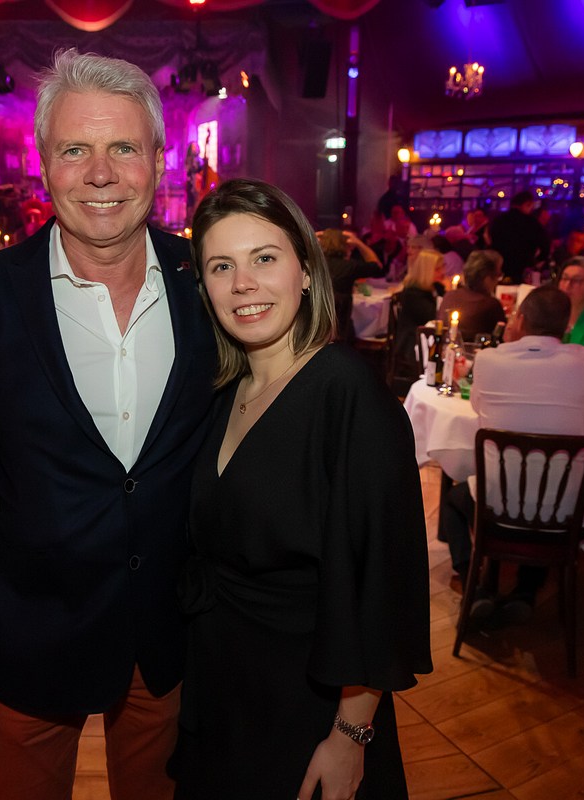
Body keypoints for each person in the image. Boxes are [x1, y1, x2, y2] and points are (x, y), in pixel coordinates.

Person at [0, 49, 217, 799]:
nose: (101, 173)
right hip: (28, 638)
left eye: (124, 148)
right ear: (44, 165)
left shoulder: (209, 283)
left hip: (170, 640)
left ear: (157, 159)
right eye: (76, 149)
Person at [169, 178, 430, 799]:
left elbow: (380, 585)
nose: (243, 284)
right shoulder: (224, 393)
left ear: (306, 272)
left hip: (309, 703)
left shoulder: (346, 394)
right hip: (224, 691)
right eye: (221, 266)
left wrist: (350, 735)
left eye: (264, 258)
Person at [437, 286, 584, 620]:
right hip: (565, 518)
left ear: (520, 319)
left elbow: (477, 406)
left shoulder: (490, 359)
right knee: (550, 492)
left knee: (454, 500)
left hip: (495, 511)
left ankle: (475, 586)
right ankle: (526, 592)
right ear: (567, 325)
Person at [316, 227, 384, 343]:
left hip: (316, 325)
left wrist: (311, 237)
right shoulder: (349, 266)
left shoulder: (315, 264)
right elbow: (377, 266)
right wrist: (359, 243)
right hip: (340, 327)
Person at [391, 249, 445, 381]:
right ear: (427, 270)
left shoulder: (435, 287)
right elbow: (433, 316)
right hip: (413, 343)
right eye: (438, 269)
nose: (443, 272)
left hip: (428, 338)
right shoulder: (413, 294)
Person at [437, 249, 506, 343]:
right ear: (487, 278)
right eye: (498, 275)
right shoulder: (490, 304)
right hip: (477, 351)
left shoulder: (449, 296)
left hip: (445, 349)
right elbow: (504, 338)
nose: (498, 280)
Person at [487, 191, 550, 283]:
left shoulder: (498, 220)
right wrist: (537, 261)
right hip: (523, 267)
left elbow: (490, 241)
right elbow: (545, 245)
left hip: (501, 266)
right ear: (527, 204)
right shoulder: (531, 222)